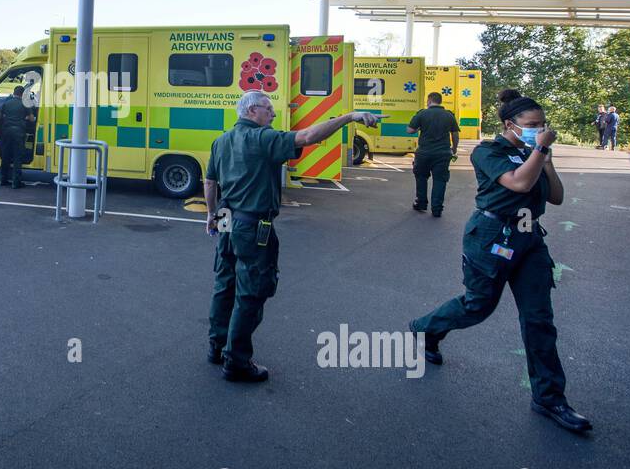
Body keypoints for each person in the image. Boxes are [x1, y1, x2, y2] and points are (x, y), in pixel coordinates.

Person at [408, 88, 591, 434]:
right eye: (532, 124)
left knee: (539, 319)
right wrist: (538, 151)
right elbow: (519, 184)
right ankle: (425, 329)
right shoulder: (488, 152)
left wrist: (546, 160)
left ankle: (550, 397)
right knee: (478, 305)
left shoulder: (535, 153)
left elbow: (557, 197)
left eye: (542, 124)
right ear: (511, 124)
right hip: (492, 236)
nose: (540, 129)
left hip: (529, 240)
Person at [205, 90, 381, 383]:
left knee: (225, 282)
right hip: (252, 223)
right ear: (252, 111)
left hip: (226, 217)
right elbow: (307, 137)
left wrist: (211, 215)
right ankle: (236, 361)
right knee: (250, 291)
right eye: (268, 109)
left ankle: (216, 345)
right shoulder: (264, 138)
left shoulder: (221, 140)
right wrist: (349, 117)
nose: (273, 114)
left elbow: (210, 182)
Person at [407, 91, 461, 217]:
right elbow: (455, 134)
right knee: (440, 180)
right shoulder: (449, 115)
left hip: (424, 153)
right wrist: (454, 148)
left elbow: (410, 130)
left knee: (421, 177)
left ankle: (421, 203)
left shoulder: (422, 113)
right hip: (443, 153)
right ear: (440, 101)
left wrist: (419, 127)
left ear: (429, 101)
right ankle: (437, 209)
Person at [0, 85, 34, 189]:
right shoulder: (24, 104)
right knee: (17, 157)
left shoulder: (6, 103)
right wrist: (25, 117)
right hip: (18, 133)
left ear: (14, 93)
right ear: (22, 94)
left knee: (6, 156)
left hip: (6, 131)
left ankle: (2, 180)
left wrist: (7, 116)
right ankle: (16, 183)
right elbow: (32, 119)